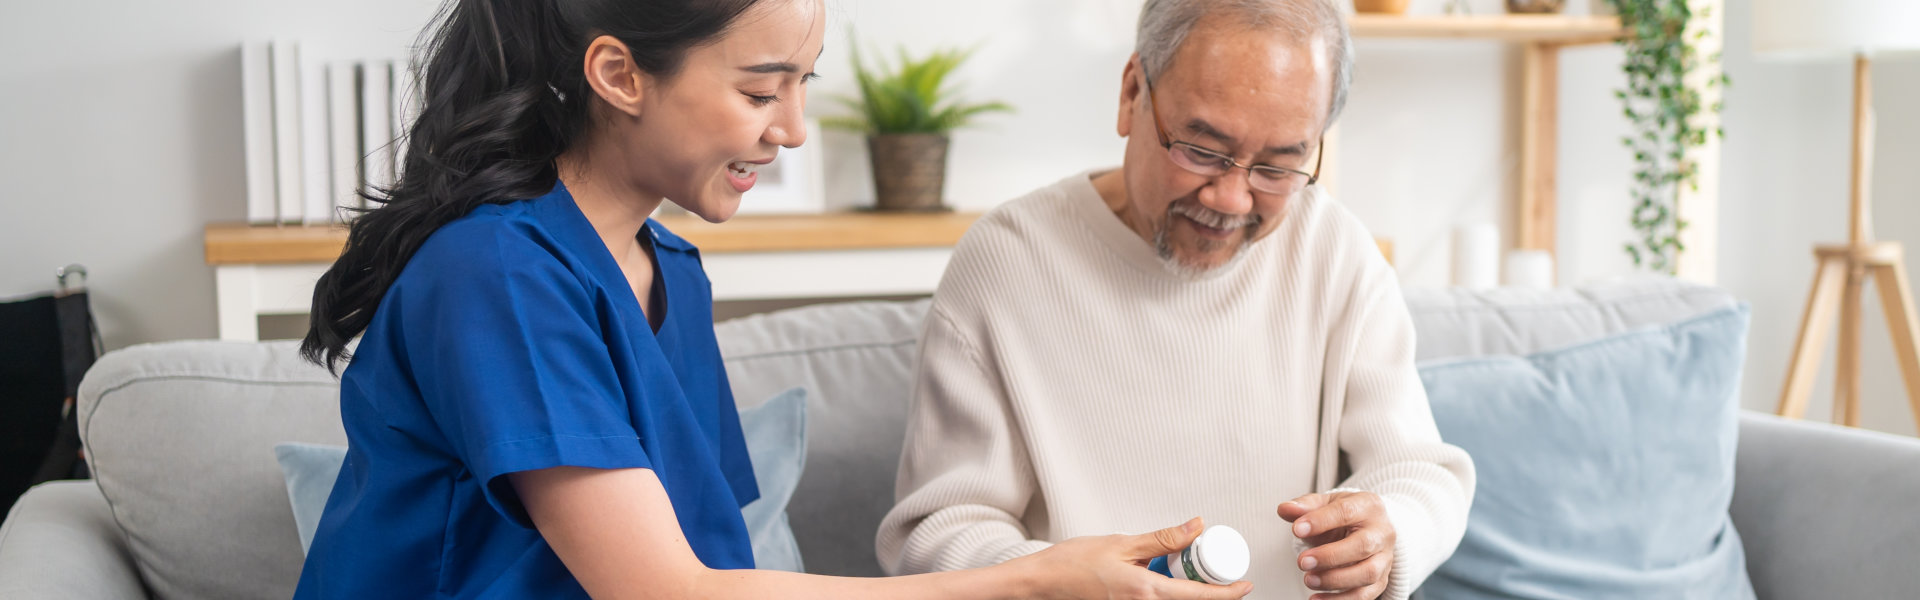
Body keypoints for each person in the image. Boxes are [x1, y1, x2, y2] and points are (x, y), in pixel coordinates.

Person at [291, 0, 1253, 598]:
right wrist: (1031, 579)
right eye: (762, 92)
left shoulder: (670, 270)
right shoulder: (497, 274)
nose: (793, 129)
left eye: (803, 85)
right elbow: (664, 592)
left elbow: (722, 565)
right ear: (619, 74)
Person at [876, 1, 1475, 599]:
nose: (1233, 199)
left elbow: (1420, 471)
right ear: (1133, 92)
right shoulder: (1006, 263)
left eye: (1277, 167)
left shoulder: (1333, 251)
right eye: (1202, 151)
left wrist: (1385, 533)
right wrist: (1055, 581)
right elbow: (933, 530)